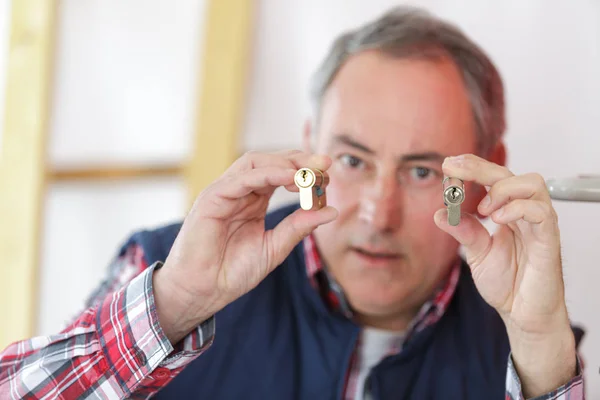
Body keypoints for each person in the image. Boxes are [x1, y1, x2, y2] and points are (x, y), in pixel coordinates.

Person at [0, 6, 586, 400]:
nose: (376, 216)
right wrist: (173, 306)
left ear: (488, 166)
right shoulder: (164, 269)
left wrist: (540, 351)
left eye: (423, 171)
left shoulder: (530, 337)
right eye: (353, 161)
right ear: (310, 147)